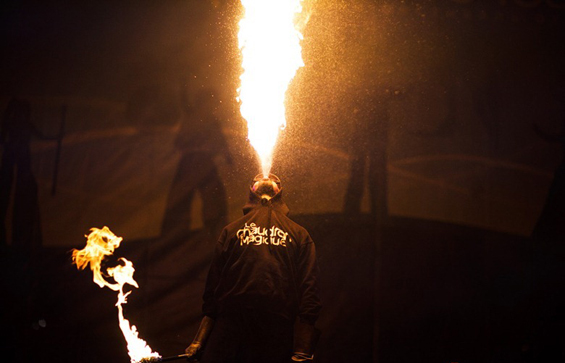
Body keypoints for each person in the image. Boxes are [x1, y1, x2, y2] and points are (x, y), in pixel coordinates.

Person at [185, 174, 322, 363]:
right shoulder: (230, 231)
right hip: (232, 329)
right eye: (259, 178)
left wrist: (303, 349)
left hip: (274, 330)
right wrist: (198, 340)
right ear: (252, 190)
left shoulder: (299, 235)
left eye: (273, 178)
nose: (266, 175)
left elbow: (310, 291)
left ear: (279, 192)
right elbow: (212, 292)